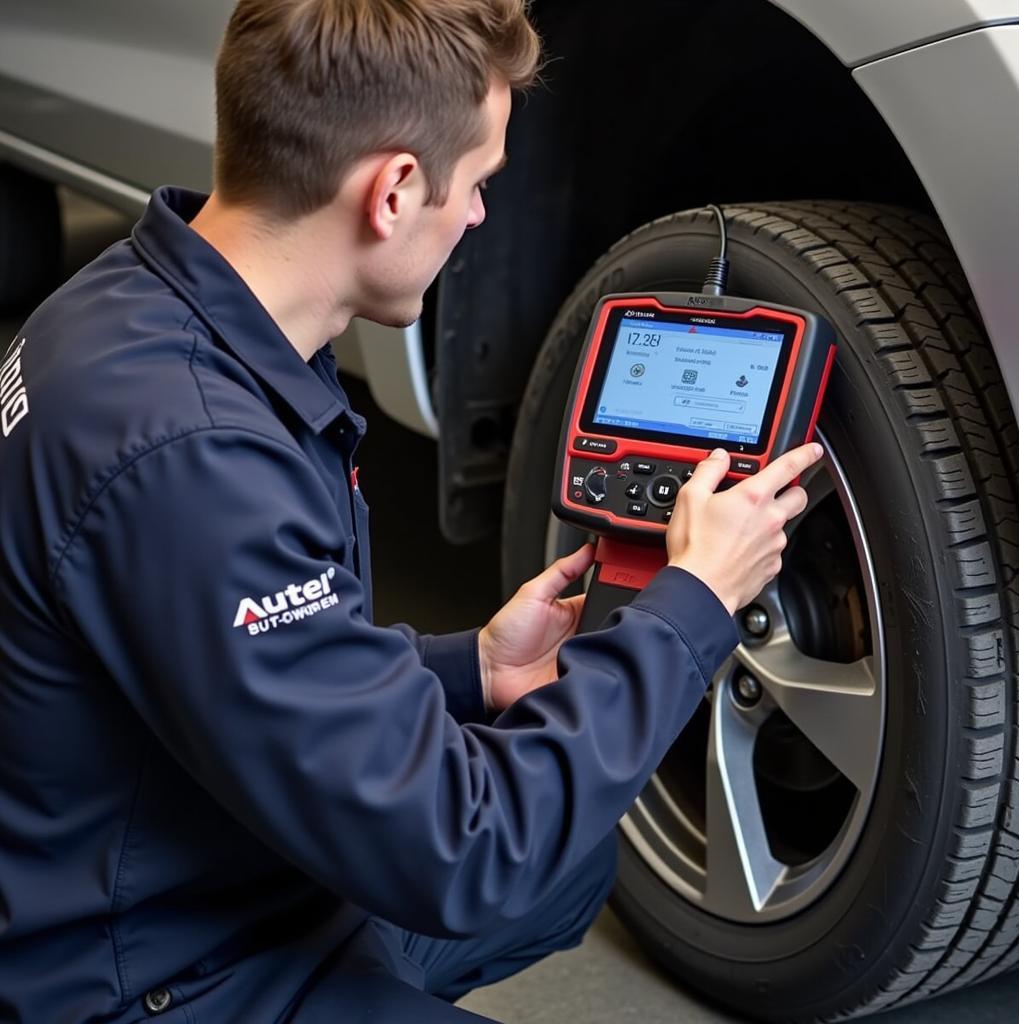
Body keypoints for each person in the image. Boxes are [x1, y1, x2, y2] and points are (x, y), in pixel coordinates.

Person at [0, 1, 822, 1020]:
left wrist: (470, 666)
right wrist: (691, 604)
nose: (479, 215)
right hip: (141, 973)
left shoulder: (130, 301)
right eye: (476, 183)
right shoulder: (193, 454)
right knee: (516, 852)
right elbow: (465, 851)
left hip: (161, 847)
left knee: (566, 867)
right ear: (392, 191)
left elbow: (232, 655)